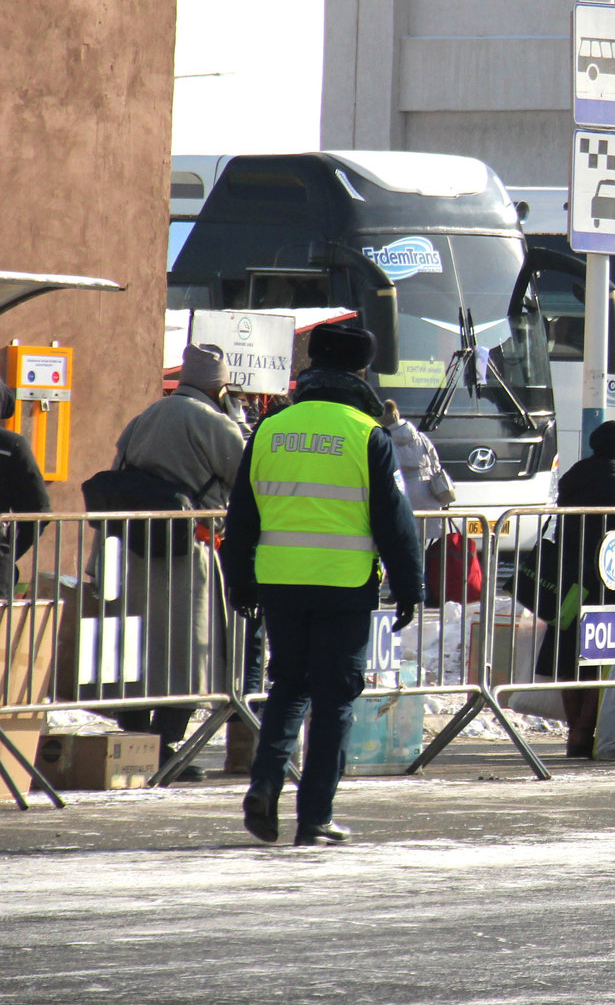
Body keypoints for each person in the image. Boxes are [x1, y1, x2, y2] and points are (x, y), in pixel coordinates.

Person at [223, 321, 423, 845]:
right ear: (360, 372)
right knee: (334, 698)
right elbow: (393, 522)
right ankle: (315, 817)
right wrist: (410, 587)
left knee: (288, 686)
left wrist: (240, 580)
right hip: (343, 584)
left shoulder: (270, 429)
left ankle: (264, 786)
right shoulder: (367, 435)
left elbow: (241, 516)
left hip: (280, 583)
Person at [108, 343, 251, 778]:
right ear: (221, 386)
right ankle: (168, 746)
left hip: (135, 550)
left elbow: (117, 470)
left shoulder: (146, 416)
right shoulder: (213, 422)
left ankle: (134, 742)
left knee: (138, 650)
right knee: (191, 652)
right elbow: (246, 475)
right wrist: (239, 422)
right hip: (190, 553)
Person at [543, 420, 615, 758]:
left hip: (571, 581)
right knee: (597, 658)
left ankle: (575, 730)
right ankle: (583, 734)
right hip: (607, 584)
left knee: (568, 654)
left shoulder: (574, 478)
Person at [0, 383, 51, 588]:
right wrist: (8, 552)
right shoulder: (11, 446)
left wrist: (8, 552)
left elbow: (38, 513)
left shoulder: (11, 447)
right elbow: (39, 511)